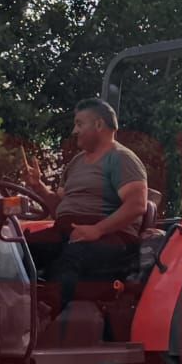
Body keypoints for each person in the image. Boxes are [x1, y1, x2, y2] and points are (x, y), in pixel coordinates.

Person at [21, 98, 149, 311]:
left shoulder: (121, 159)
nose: (74, 131)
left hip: (110, 237)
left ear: (99, 124)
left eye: (79, 124)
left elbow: (137, 205)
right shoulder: (77, 162)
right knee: (16, 250)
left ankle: (46, 315)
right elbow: (60, 209)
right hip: (68, 231)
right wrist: (39, 187)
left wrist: (97, 230)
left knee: (72, 257)